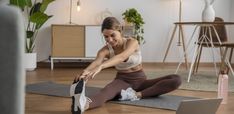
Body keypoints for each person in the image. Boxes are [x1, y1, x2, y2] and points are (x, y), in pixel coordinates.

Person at [70, 17, 182, 114]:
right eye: (106, 37)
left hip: (142, 82)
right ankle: (82, 105)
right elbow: (97, 61)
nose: (110, 40)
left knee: (176, 79)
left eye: (112, 35)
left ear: (120, 30)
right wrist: (85, 71)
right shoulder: (104, 50)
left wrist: (101, 67)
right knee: (106, 92)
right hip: (122, 82)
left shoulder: (132, 42)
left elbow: (121, 57)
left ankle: (136, 95)